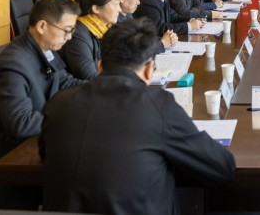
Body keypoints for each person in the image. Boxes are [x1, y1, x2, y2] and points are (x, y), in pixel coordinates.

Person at [40, 18, 236, 215]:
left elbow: (46, 156)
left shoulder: (58, 103)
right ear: (150, 69)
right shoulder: (158, 105)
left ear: (99, 66)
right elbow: (222, 167)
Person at [0, 0, 85, 209]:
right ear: (42, 26)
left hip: (26, 150)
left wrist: (103, 88)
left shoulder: (44, 49)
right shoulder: (13, 65)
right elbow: (21, 123)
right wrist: (70, 119)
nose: (70, 37)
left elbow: (65, 82)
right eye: (67, 30)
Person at [60, 0, 122, 80]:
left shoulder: (109, 26)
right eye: (115, 4)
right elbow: (89, 76)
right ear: (96, 8)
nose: (119, 9)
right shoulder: (77, 35)